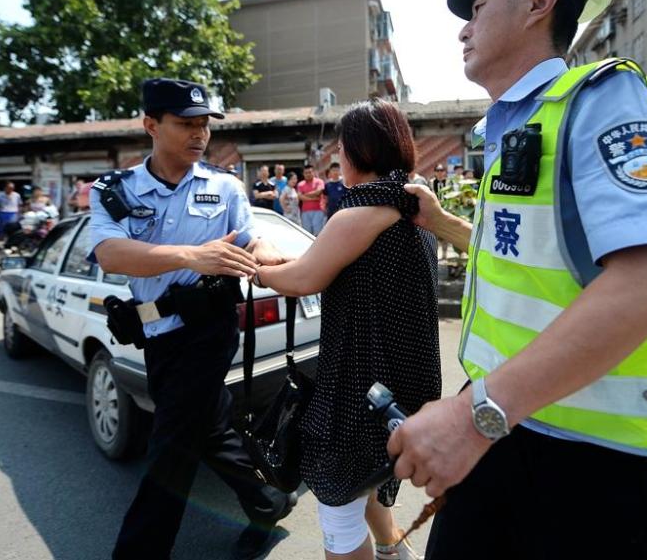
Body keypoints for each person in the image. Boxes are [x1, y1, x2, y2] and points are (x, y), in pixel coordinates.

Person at [388, 0, 647, 558]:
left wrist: (472, 415)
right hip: (502, 434)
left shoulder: (601, 99)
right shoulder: (517, 125)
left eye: (478, 2)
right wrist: (443, 224)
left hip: (579, 472)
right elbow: (526, 260)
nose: (463, 27)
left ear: (540, 0)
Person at [89, 78, 296, 560]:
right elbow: (111, 254)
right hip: (156, 334)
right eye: (185, 123)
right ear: (150, 125)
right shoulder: (114, 190)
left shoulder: (225, 186)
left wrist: (271, 255)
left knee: (170, 446)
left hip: (209, 329)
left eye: (204, 124)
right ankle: (269, 499)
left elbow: (249, 239)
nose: (199, 133)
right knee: (209, 433)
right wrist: (191, 255)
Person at [256, 99, 440, 560]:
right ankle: (395, 553)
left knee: (339, 504)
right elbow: (327, 262)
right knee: (372, 482)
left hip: (359, 387)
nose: (338, 159)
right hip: (406, 386)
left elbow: (304, 279)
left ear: (360, 150)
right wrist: (285, 262)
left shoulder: (359, 212)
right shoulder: (415, 209)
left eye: (340, 148)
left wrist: (258, 272)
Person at [297, 164, 326, 235]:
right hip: (305, 212)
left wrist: (305, 195)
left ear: (313, 172)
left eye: (310, 172)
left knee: (318, 233)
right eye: (306, 173)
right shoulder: (300, 184)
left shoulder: (319, 181)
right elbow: (300, 197)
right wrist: (313, 198)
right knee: (307, 233)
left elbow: (318, 192)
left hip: (318, 210)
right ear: (303, 174)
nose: (308, 174)